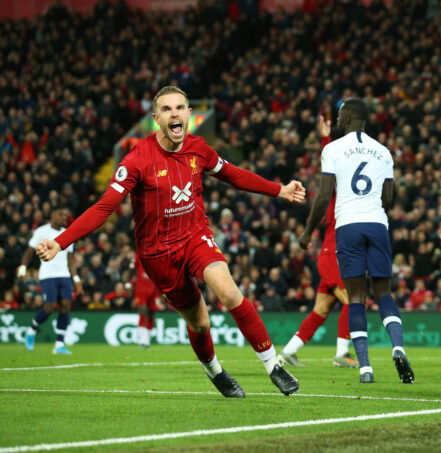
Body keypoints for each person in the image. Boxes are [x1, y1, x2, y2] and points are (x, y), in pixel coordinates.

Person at [36, 86, 305, 398]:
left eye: (180, 107)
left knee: (230, 292)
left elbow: (232, 173)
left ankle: (273, 365)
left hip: (194, 234)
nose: (175, 113)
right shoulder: (137, 160)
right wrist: (61, 241)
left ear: (190, 114)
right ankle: (215, 372)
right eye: (167, 109)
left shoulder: (199, 148)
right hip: (157, 253)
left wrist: (279, 190)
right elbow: (104, 207)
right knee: (200, 323)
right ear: (156, 119)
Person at [298, 99, 414, 384]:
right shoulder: (383, 151)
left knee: (356, 298)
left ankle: (365, 368)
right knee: (384, 293)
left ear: (348, 118)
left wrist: (308, 230)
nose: (337, 120)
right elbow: (389, 198)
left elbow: (324, 196)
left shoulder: (333, 149)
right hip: (376, 223)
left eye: (339, 116)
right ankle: (397, 347)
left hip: (348, 226)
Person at [279, 115, 358, 369]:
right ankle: (342, 354)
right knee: (352, 300)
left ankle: (288, 352)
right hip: (333, 255)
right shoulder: (337, 193)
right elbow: (330, 163)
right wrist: (326, 137)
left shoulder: (348, 197)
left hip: (330, 255)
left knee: (321, 310)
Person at [18, 207, 83, 354]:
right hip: (48, 274)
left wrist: (77, 279)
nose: (64, 217)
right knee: (50, 306)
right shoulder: (41, 231)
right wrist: (22, 268)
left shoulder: (68, 233)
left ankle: (59, 345)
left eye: (66, 215)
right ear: (52, 215)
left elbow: (71, 259)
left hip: (64, 274)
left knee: (66, 305)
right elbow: (29, 251)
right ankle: (32, 328)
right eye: (61, 214)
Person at [133, 255, 161, 349]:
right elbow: (133, 267)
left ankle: (147, 339)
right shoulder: (139, 256)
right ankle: (142, 340)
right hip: (141, 290)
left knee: (151, 314)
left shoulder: (157, 258)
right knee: (143, 311)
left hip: (153, 290)